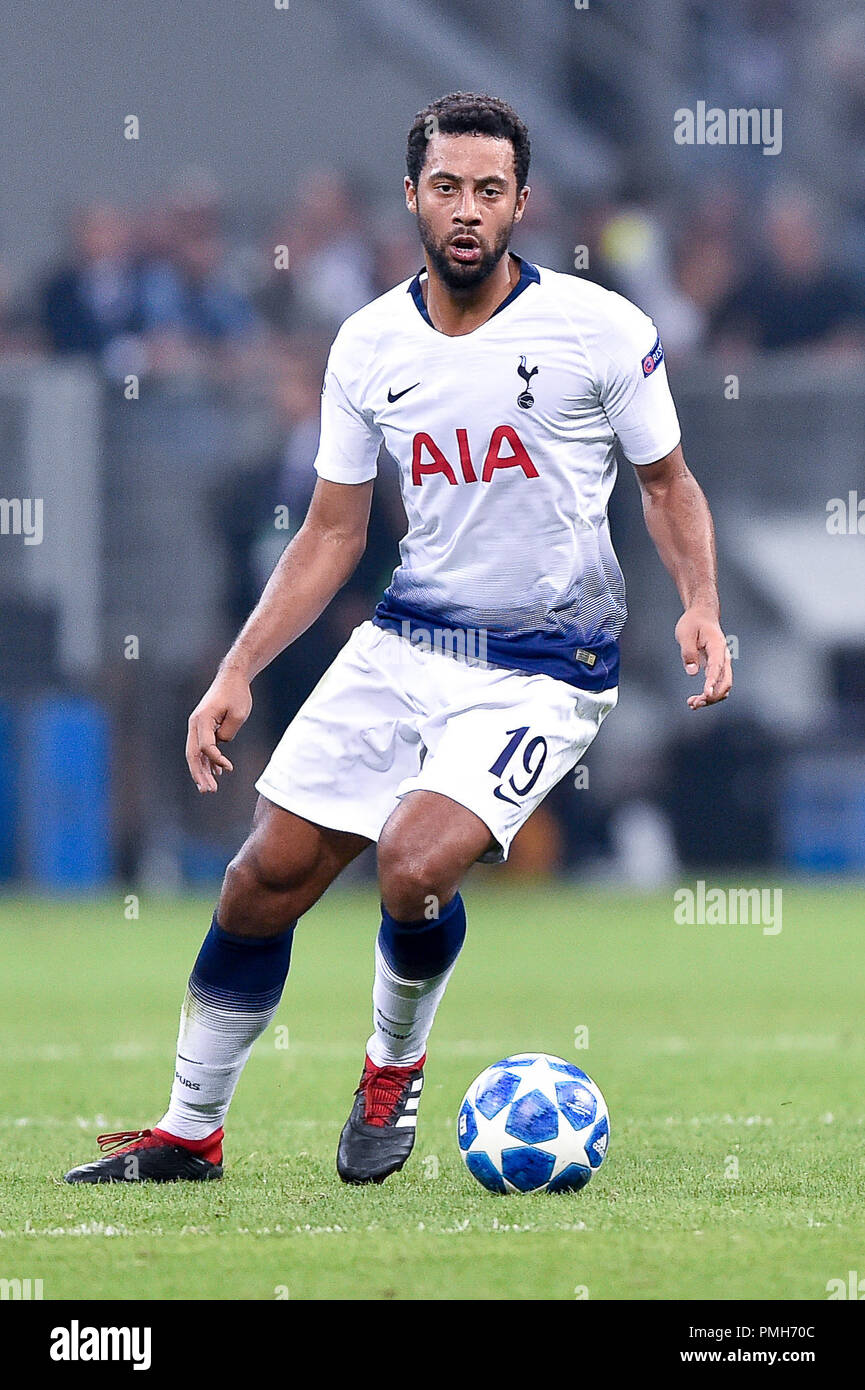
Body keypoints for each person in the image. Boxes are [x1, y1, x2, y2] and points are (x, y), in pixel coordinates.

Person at [64, 92, 732, 1187]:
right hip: (405, 640)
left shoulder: (599, 328)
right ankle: (189, 1133)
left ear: (522, 202)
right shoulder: (368, 342)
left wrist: (698, 600)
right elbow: (333, 529)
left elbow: (668, 484)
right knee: (258, 881)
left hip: (543, 670)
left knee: (413, 864)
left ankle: (392, 1066)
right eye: (446, 187)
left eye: (488, 189)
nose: (466, 209)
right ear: (413, 196)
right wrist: (239, 667)